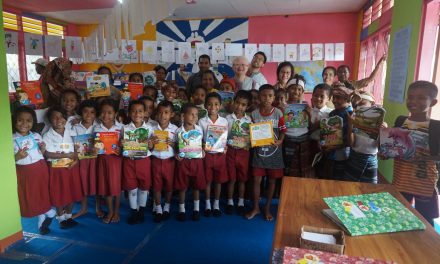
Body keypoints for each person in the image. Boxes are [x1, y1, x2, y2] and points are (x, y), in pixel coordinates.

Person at [390, 81, 440, 225]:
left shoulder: (436, 127)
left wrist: (425, 158)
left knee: (425, 219)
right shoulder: (400, 121)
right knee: (397, 214)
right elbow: (393, 146)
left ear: (433, 102)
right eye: (410, 97)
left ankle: (426, 247)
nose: (413, 101)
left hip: (424, 182)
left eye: (421, 98)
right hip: (401, 179)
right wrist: (385, 152)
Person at [13, 106, 55, 235]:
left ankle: (42, 217)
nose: (25, 124)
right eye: (20, 120)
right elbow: (8, 161)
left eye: (29, 120)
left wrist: (42, 149)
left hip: (40, 168)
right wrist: (16, 157)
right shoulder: (11, 139)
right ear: (14, 121)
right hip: (24, 171)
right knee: (29, 194)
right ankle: (47, 212)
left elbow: (40, 153)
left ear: (33, 122)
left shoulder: (36, 136)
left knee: (42, 192)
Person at [246, 84, 286, 221]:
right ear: (259, 96)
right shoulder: (254, 114)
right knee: (256, 180)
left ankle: (267, 207)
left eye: (270, 95)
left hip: (274, 153)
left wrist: (280, 140)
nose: (267, 98)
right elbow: (249, 132)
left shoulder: (278, 113)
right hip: (259, 153)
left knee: (272, 181)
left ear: (274, 97)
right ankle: (256, 207)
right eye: (263, 95)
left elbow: (283, 130)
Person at [43, 106, 82, 229]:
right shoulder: (47, 135)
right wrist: (66, 155)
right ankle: (60, 218)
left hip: (72, 167)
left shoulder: (71, 131)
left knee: (72, 192)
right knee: (59, 193)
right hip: (57, 169)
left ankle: (69, 216)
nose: (58, 120)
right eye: (54, 118)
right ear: (49, 120)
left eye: (61, 117)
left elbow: (77, 148)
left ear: (66, 119)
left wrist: (75, 159)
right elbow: (48, 154)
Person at [121, 100, 154, 225]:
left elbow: (151, 147)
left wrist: (151, 145)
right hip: (129, 161)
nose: (137, 114)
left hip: (144, 161)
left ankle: (141, 211)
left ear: (145, 113)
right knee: (132, 189)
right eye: (134, 111)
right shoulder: (125, 128)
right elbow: (120, 145)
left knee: (144, 188)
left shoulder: (149, 129)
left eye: (140, 111)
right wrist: (122, 144)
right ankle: (134, 211)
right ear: (129, 113)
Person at [174, 103, 206, 221]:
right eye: (191, 114)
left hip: (197, 162)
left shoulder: (199, 129)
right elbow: (176, 146)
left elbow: (201, 143)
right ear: (183, 116)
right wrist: (176, 154)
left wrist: (203, 150)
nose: (194, 117)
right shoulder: (178, 131)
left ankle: (196, 209)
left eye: (196, 115)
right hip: (183, 162)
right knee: (182, 187)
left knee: (196, 186)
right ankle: (181, 210)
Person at [198, 92, 229, 217]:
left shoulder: (224, 121)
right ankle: (207, 204)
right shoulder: (202, 121)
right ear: (205, 106)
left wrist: (225, 145)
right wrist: (203, 144)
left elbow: (225, 137)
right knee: (208, 180)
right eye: (209, 104)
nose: (213, 107)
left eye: (216, 104)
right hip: (207, 155)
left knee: (218, 181)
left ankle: (216, 204)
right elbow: (199, 138)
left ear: (220, 106)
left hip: (220, 155)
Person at [94, 99, 123, 224]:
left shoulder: (121, 127)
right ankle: (110, 211)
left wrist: (121, 148)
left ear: (115, 114)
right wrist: (94, 148)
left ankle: (116, 211)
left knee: (116, 187)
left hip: (116, 160)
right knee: (107, 187)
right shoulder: (96, 128)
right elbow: (93, 144)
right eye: (103, 112)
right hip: (102, 160)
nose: (106, 115)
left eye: (110, 112)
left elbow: (125, 146)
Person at [345, 91, 384, 184]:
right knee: (350, 186)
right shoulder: (354, 119)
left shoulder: (381, 123)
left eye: (362, 104)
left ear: (372, 104)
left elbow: (381, 148)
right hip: (354, 158)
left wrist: (382, 133)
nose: (360, 107)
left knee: (370, 188)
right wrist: (351, 126)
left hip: (371, 160)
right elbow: (351, 143)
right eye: (357, 105)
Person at [225, 90, 253, 215]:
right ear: (233, 102)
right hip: (230, 151)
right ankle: (230, 202)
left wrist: (250, 143)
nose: (239, 107)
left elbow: (252, 138)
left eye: (243, 104)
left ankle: (241, 202)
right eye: (237, 103)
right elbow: (222, 135)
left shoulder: (249, 121)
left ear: (247, 106)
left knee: (242, 179)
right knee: (232, 179)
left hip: (244, 153)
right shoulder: (227, 119)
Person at [70, 100, 99, 219]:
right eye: (85, 112)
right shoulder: (75, 126)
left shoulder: (98, 125)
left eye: (92, 112)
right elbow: (70, 139)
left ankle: (98, 208)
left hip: (95, 160)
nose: (88, 115)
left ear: (96, 114)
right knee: (82, 183)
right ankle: (84, 208)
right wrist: (74, 147)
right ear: (80, 113)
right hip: (81, 159)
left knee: (96, 182)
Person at [150, 101, 177, 222]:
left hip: (169, 161)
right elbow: (148, 147)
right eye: (160, 112)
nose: (163, 115)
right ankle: (159, 208)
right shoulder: (152, 128)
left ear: (172, 114)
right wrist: (151, 144)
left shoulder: (175, 129)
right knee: (156, 186)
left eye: (166, 112)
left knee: (169, 185)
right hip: (155, 160)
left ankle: (167, 206)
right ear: (156, 114)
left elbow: (180, 148)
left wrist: (174, 144)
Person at [322, 84, 353, 180]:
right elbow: (327, 132)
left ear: (347, 99)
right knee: (329, 177)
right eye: (333, 97)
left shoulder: (351, 115)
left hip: (343, 155)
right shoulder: (333, 113)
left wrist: (333, 147)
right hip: (330, 153)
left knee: (339, 180)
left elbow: (350, 140)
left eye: (338, 98)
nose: (334, 100)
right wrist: (323, 143)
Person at [283, 76, 312, 177]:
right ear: (287, 89)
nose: (296, 92)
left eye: (299, 89)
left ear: (302, 91)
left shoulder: (305, 105)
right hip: (288, 139)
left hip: (304, 139)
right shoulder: (283, 105)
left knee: (302, 165)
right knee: (288, 165)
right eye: (293, 88)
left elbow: (310, 124)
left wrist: (310, 113)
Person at [309, 84, 333, 178]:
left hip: (326, 148)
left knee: (324, 173)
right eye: (315, 95)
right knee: (310, 171)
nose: (318, 98)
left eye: (322, 96)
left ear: (329, 98)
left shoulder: (331, 113)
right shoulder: (308, 112)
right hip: (310, 145)